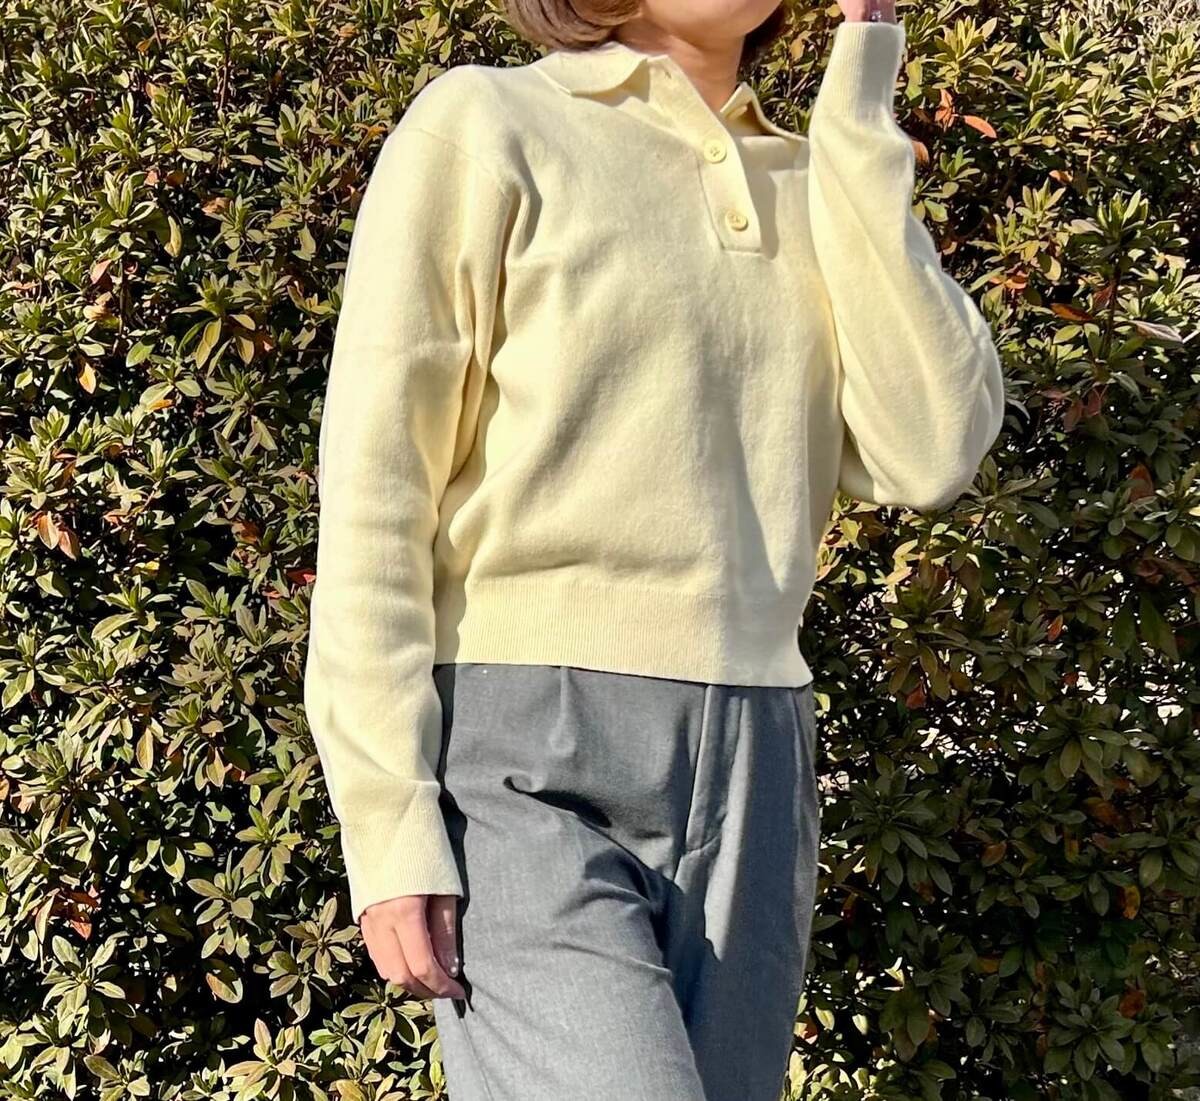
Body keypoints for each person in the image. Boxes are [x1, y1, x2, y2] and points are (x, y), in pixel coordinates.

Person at [303, 0, 1006, 1096]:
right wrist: (388, 817)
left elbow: (929, 449)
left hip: (757, 758)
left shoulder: (816, 179)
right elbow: (376, 491)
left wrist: (862, 103)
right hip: (525, 754)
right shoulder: (488, 125)